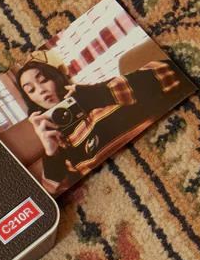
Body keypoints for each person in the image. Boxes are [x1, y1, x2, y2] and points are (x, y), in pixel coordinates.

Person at [11, 53, 189, 194]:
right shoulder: (58, 142)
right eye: (31, 90)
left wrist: (96, 95)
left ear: (56, 78)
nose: (41, 90)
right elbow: (54, 192)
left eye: (43, 80)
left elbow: (170, 72)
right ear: (31, 101)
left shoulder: (98, 94)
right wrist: (51, 153)